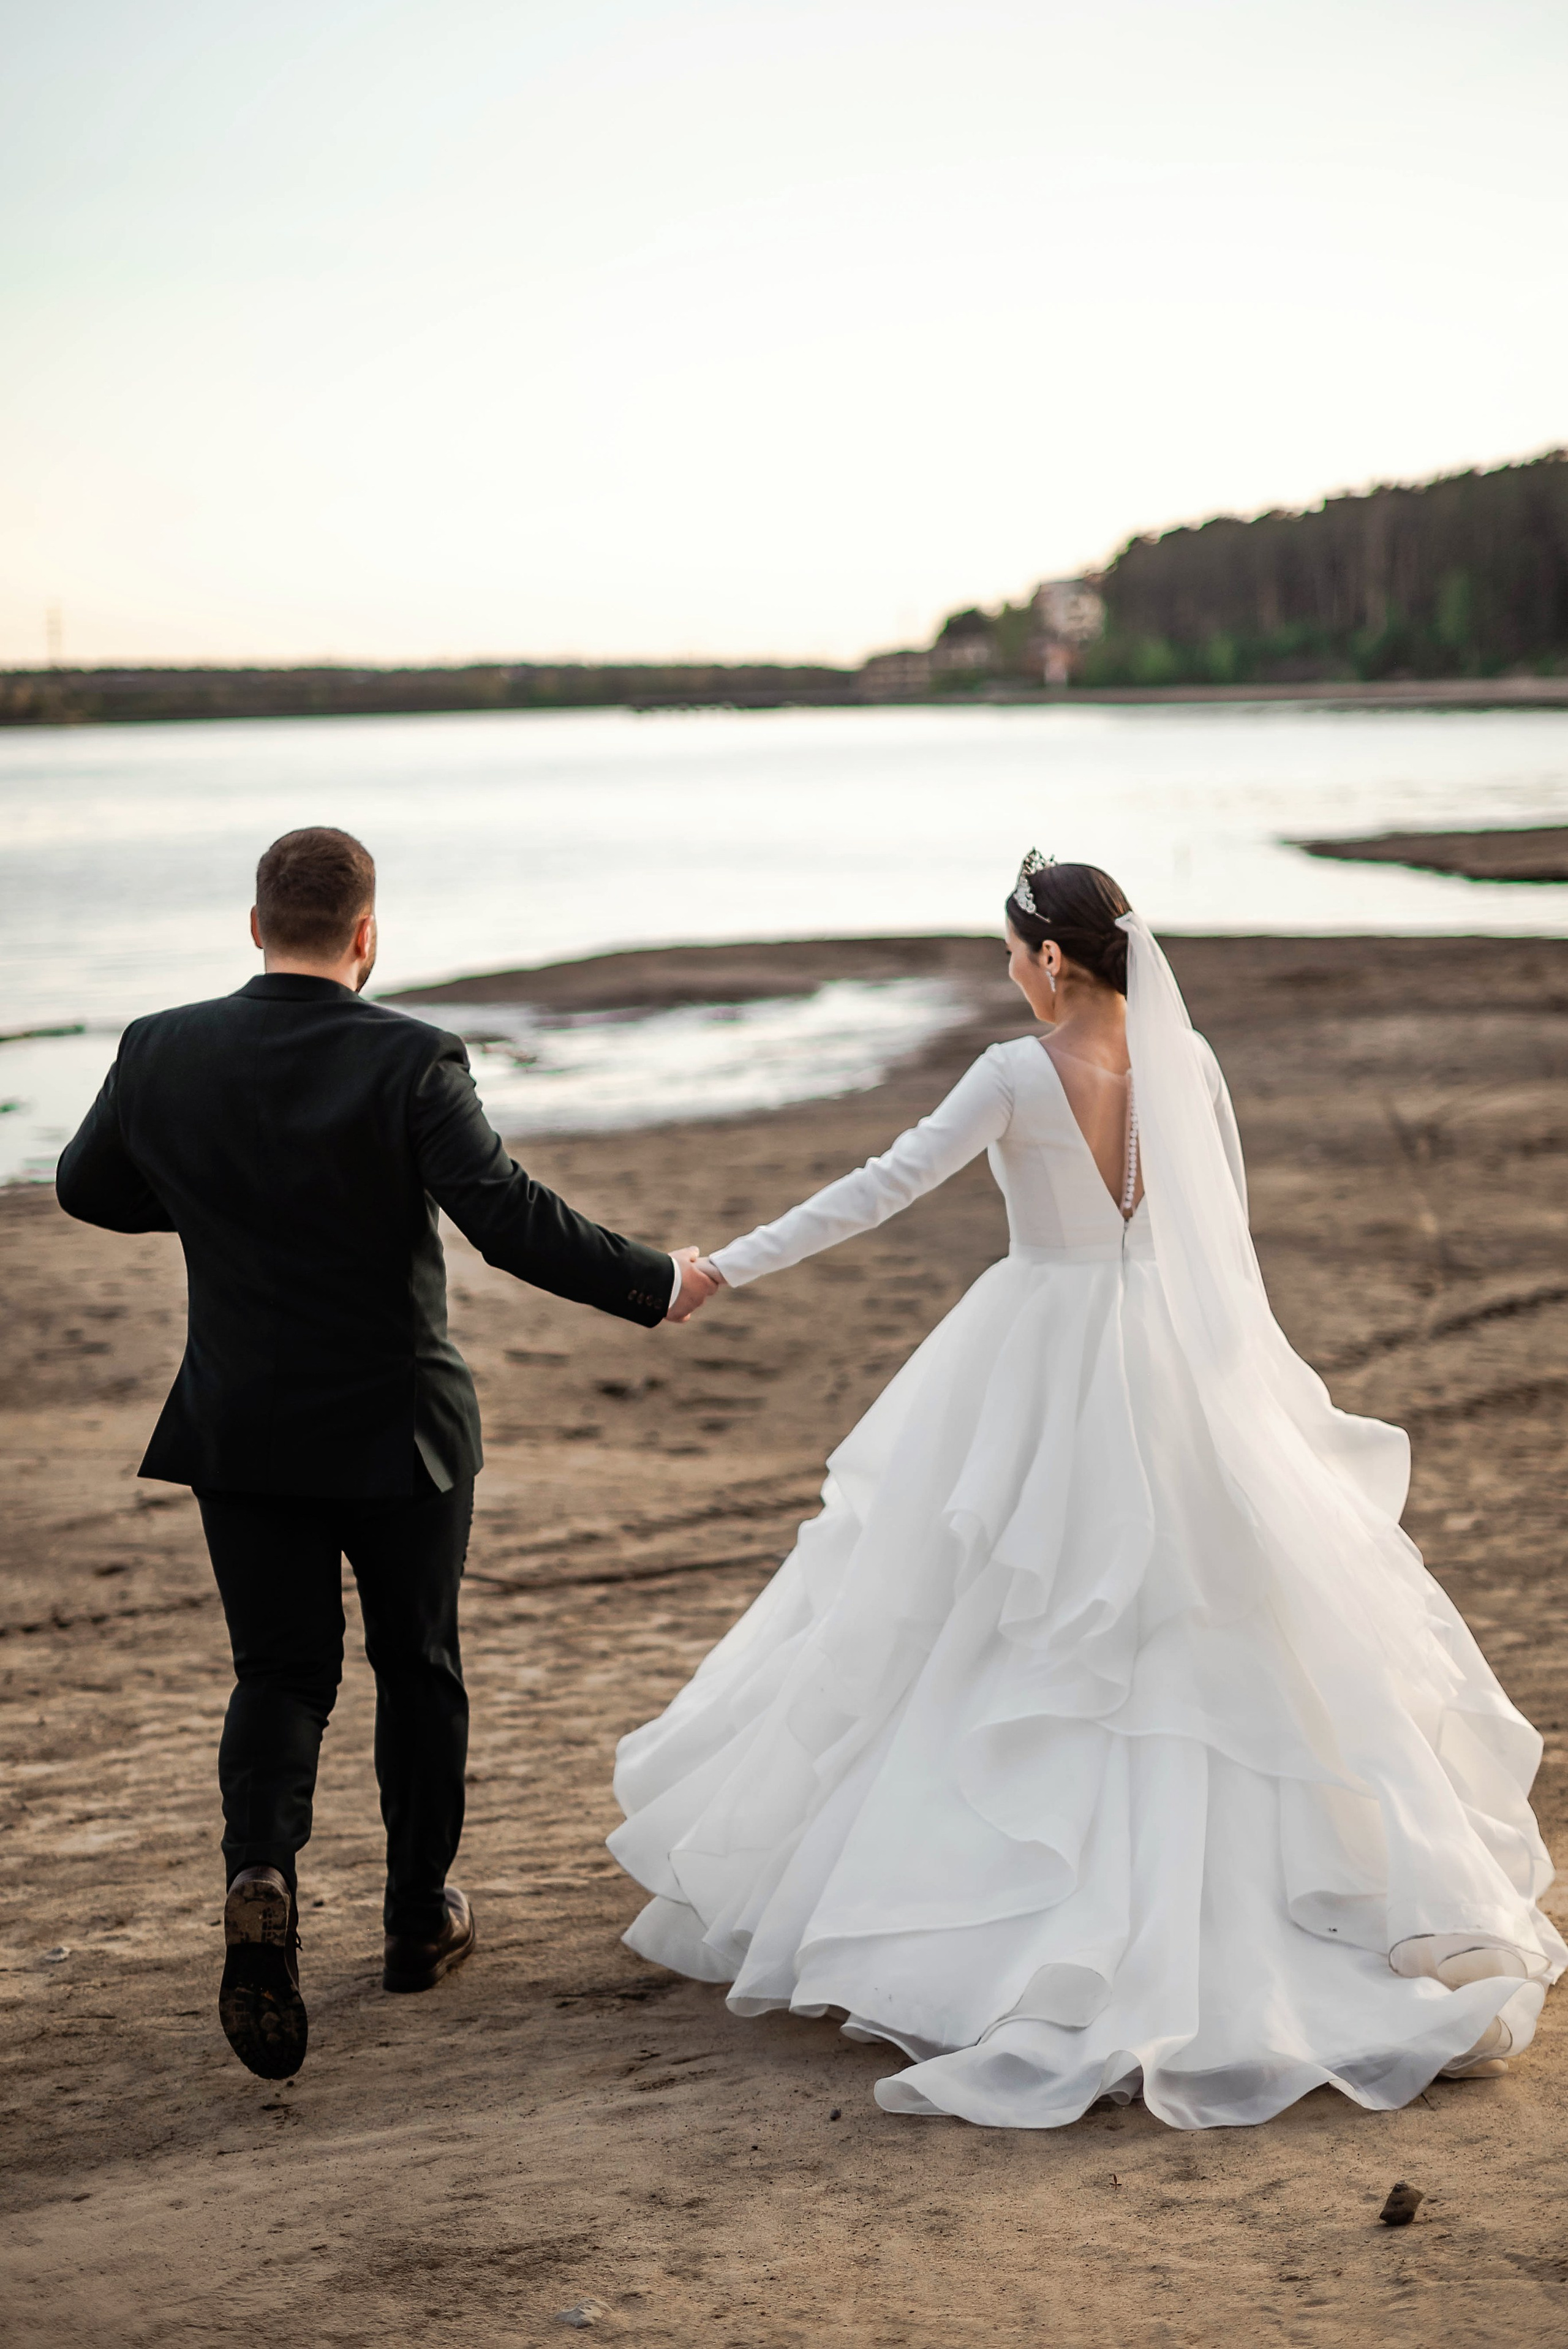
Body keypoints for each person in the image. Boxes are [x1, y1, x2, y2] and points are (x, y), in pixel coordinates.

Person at [609, 854, 1563, 2130]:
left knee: (992, 1609)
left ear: (1052, 959)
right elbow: (1216, 1237)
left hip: (1040, 1351)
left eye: (1011, 953)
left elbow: (884, 1185)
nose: (1007, 973)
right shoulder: (1191, 1060)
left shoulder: (1015, 1073)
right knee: (1202, 1612)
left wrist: (718, 1266)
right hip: (1176, 1360)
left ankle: (1010, 1930)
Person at [56, 826, 717, 2083]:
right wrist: (656, 1281)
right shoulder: (412, 1056)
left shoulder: (158, 1047)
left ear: (255, 927)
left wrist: (213, 1194)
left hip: (239, 1423)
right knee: (417, 1663)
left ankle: (261, 1872)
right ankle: (417, 1922)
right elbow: (507, 1217)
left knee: (280, 1670)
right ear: (368, 934)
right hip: (397, 1428)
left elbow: (89, 1187)